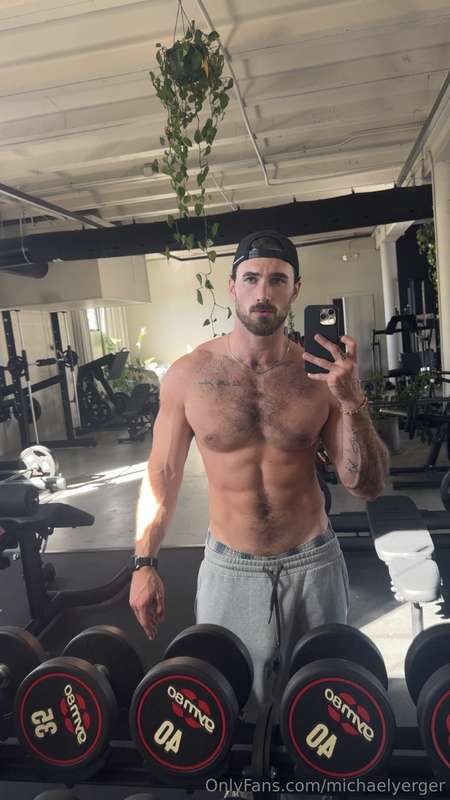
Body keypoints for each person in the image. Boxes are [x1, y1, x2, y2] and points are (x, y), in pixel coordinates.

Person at [130, 229, 389, 721]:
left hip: (312, 564)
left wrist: (352, 400)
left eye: (277, 280)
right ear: (232, 287)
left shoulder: (322, 378)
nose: (263, 292)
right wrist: (144, 562)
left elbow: (367, 485)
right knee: (224, 711)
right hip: (230, 569)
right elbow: (163, 472)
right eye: (251, 279)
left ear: (296, 290)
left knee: (322, 706)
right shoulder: (188, 375)